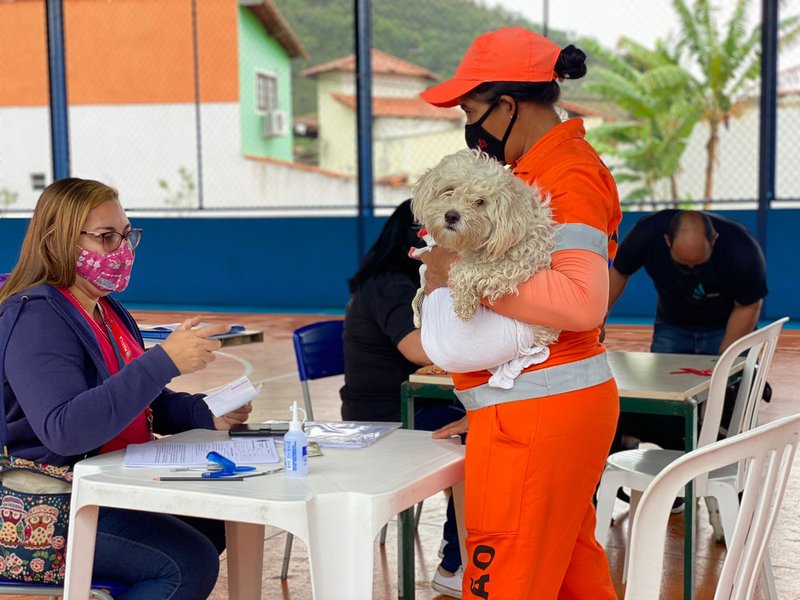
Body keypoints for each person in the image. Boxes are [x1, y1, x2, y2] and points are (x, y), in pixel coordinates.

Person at [418, 27, 622, 599]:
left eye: (470, 109)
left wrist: (454, 274)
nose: (469, 127)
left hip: (540, 413)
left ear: (507, 105)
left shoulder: (568, 177)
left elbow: (583, 301)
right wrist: (484, 402)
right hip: (531, 409)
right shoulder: (534, 171)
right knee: (571, 578)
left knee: (501, 579)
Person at [0, 178, 252, 599]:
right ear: (56, 239)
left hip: (111, 481)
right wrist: (163, 362)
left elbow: (136, 402)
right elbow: (66, 429)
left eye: (126, 235)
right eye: (106, 237)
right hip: (49, 502)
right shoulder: (36, 317)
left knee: (218, 519)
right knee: (186, 563)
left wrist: (206, 413)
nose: (122, 250)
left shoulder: (105, 308)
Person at [339, 199, 467, 597]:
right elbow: (418, 349)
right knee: (475, 440)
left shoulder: (409, 281)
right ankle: (455, 562)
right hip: (382, 418)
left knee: (490, 426)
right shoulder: (390, 284)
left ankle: (473, 546)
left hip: (416, 403)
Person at [606, 209, 768, 454]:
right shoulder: (646, 233)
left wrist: (725, 357)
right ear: (667, 241)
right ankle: (672, 451)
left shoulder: (741, 247)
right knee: (662, 396)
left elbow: (748, 305)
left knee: (730, 393)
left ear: (714, 241)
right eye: (683, 263)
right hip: (673, 326)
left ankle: (727, 450)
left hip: (725, 325)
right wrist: (596, 321)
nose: (692, 268)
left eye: (698, 262)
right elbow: (619, 271)